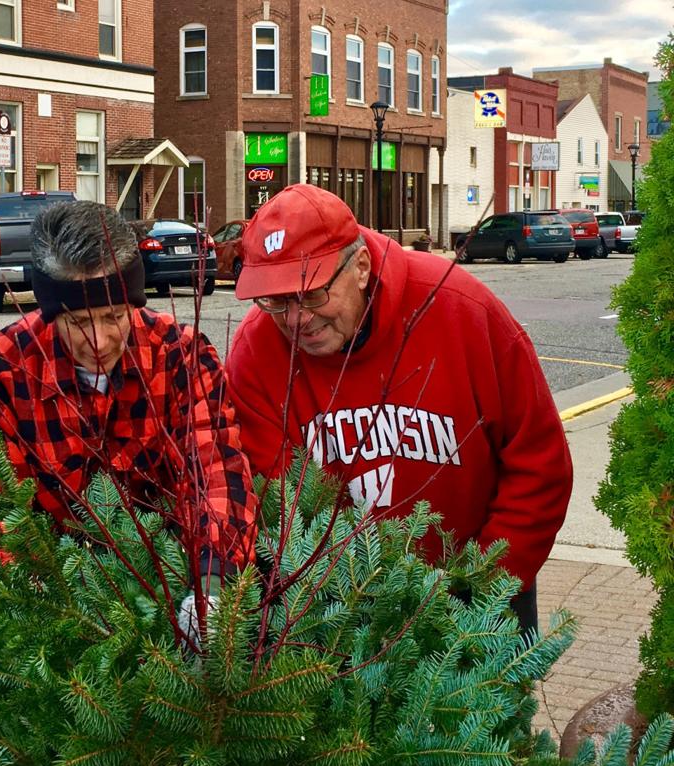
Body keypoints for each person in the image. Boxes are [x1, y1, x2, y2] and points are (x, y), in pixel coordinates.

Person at [225, 183, 573, 634]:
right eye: (275, 299)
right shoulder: (256, 352)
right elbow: (272, 502)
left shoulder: (462, 310)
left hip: (478, 594)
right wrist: (337, 605)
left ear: (361, 268)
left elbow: (538, 462)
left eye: (311, 293)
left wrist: (483, 587)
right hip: (334, 610)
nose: (295, 318)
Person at [0, 201, 257, 635]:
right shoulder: (4, 372)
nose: (98, 341)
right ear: (51, 312)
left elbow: (215, 472)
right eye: (78, 321)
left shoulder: (182, 356)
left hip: (169, 578)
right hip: (53, 594)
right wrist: (44, 614)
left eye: (114, 316)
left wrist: (212, 582)